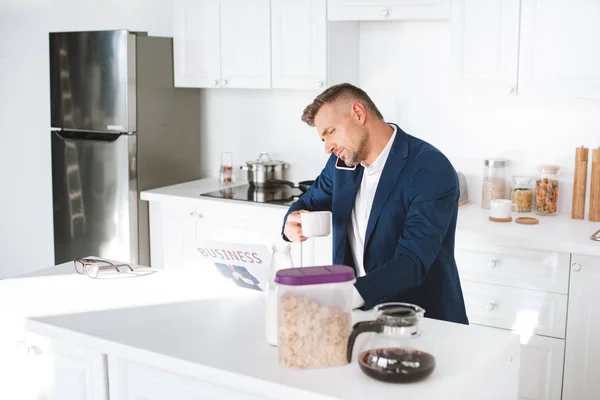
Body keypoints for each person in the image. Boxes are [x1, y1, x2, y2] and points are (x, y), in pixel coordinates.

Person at [281, 83, 468, 325]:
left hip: (422, 321)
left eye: (331, 132)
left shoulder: (429, 167)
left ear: (358, 113)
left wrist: (342, 297)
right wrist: (292, 221)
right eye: (323, 139)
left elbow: (412, 262)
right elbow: (308, 201)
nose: (328, 147)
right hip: (360, 317)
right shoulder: (341, 164)